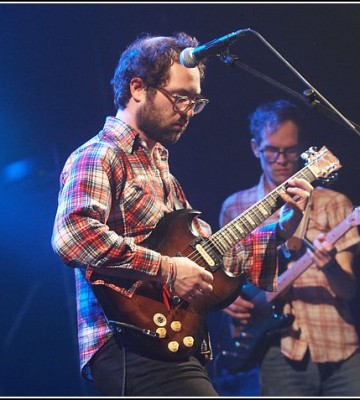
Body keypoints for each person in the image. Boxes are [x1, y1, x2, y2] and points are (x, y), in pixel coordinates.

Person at [51, 33, 313, 396]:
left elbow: (209, 259)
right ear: (138, 88)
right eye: (180, 97)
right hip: (131, 346)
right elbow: (73, 236)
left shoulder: (164, 174)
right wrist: (169, 269)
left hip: (174, 343)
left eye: (196, 101)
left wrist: (281, 230)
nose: (188, 111)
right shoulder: (99, 155)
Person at [216, 99, 360, 396]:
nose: (281, 159)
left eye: (290, 150)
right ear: (255, 148)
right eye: (271, 150)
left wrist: (328, 264)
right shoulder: (235, 207)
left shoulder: (334, 203)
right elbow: (226, 279)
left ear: (302, 149)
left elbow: (348, 290)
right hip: (277, 350)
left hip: (338, 343)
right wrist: (228, 301)